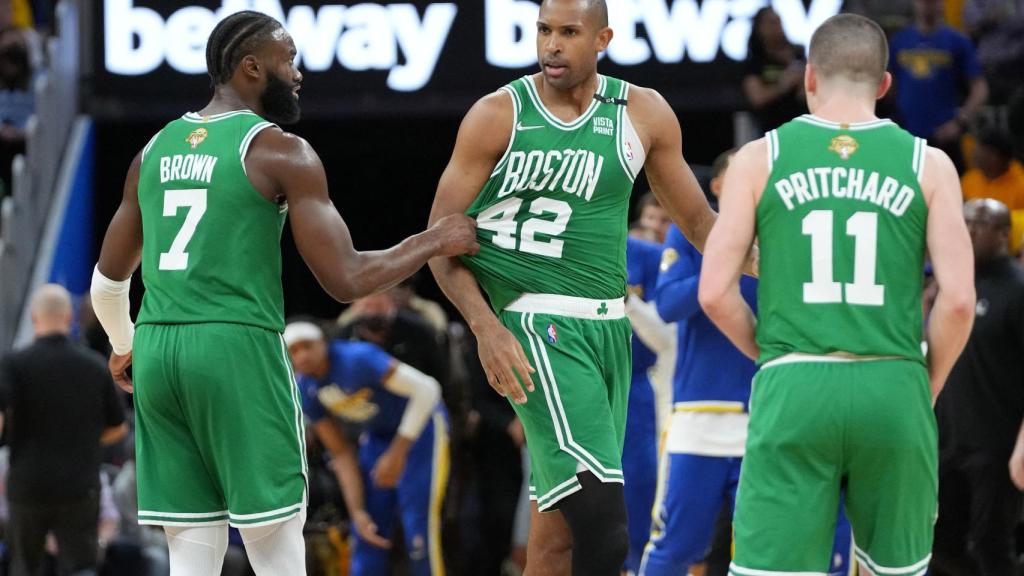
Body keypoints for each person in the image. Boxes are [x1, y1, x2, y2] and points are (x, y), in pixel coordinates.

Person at [88, 10, 477, 575]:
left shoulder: (151, 151)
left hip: (159, 350)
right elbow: (345, 279)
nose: (297, 72)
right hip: (236, 345)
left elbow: (106, 285)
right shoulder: (278, 151)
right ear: (251, 67)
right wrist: (434, 239)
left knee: (191, 547)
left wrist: (126, 345)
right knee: (275, 539)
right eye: (287, 59)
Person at [426, 1, 726, 573]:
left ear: (602, 38)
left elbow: (702, 225)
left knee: (556, 539)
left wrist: (779, 264)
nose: (552, 44)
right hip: (539, 326)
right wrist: (487, 329)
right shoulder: (497, 114)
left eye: (568, 32)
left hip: (611, 331)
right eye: (544, 31)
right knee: (605, 532)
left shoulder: (643, 112)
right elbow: (441, 245)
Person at [699, 13, 975, 576]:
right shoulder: (932, 164)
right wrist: (927, 381)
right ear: (884, 85)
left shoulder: (757, 160)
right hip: (893, 384)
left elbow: (713, 293)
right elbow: (957, 301)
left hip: (794, 383)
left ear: (808, 79)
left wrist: (774, 356)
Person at [284, 320, 447, 576]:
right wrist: (357, 511)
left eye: (307, 346)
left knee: (418, 529)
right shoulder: (304, 388)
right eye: (293, 350)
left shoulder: (358, 357)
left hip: (422, 427)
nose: (302, 355)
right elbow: (341, 454)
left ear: (323, 343)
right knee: (366, 531)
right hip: (378, 435)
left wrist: (397, 452)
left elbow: (428, 390)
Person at [0, 284, 128, 576]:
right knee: (81, 567)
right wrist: (84, 442)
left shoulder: (14, 364)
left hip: (28, 485)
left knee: (25, 568)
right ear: (69, 318)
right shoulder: (95, 366)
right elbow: (118, 428)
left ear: (35, 317)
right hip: (79, 485)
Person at [931, 199, 1024, 576]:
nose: (968, 232)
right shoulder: (952, 283)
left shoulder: (1017, 290)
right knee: (938, 543)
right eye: (963, 222)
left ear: (1004, 234)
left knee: (990, 544)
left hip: (997, 446)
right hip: (947, 439)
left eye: (979, 225)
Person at [889, 0, 988, 170]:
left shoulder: (958, 41)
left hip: (944, 135)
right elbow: (889, 84)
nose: (928, 5)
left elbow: (980, 88)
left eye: (933, 1)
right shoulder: (899, 42)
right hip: (906, 134)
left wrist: (960, 121)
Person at [742, 7, 807, 134]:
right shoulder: (755, 62)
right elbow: (757, 98)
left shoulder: (797, 54)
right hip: (770, 131)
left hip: (800, 127)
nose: (776, 27)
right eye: (771, 22)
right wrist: (783, 85)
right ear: (759, 27)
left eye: (778, 22)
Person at [960, 128, 1024, 253]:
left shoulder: (1021, 184)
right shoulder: (969, 179)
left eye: (979, 149)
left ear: (994, 155)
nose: (973, 153)